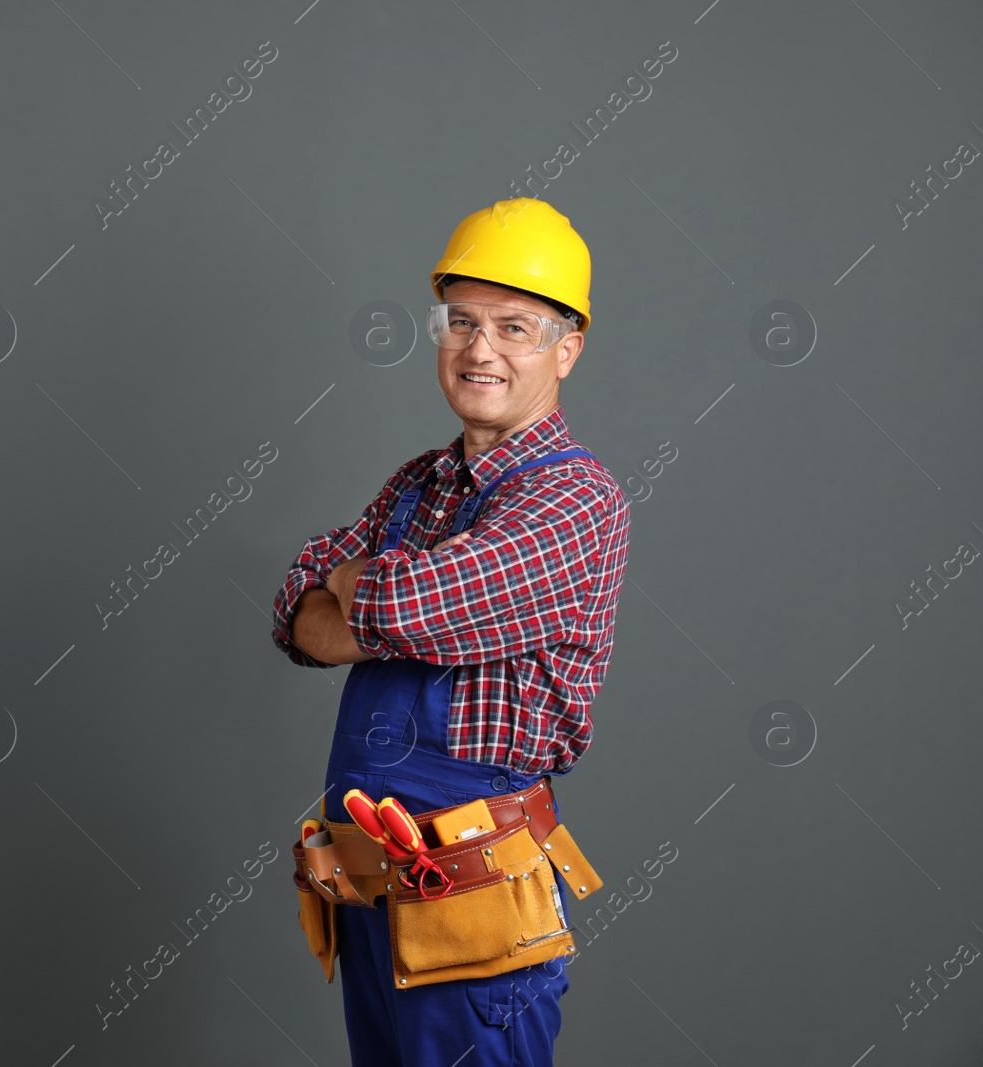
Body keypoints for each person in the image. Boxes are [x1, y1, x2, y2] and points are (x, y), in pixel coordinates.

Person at [270, 197, 631, 1066]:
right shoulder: (418, 484)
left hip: (475, 904)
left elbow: (403, 607)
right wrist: (387, 598)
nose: (480, 349)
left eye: (515, 326)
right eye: (461, 321)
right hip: (374, 893)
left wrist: (364, 588)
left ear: (566, 348)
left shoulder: (578, 503)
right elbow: (294, 610)